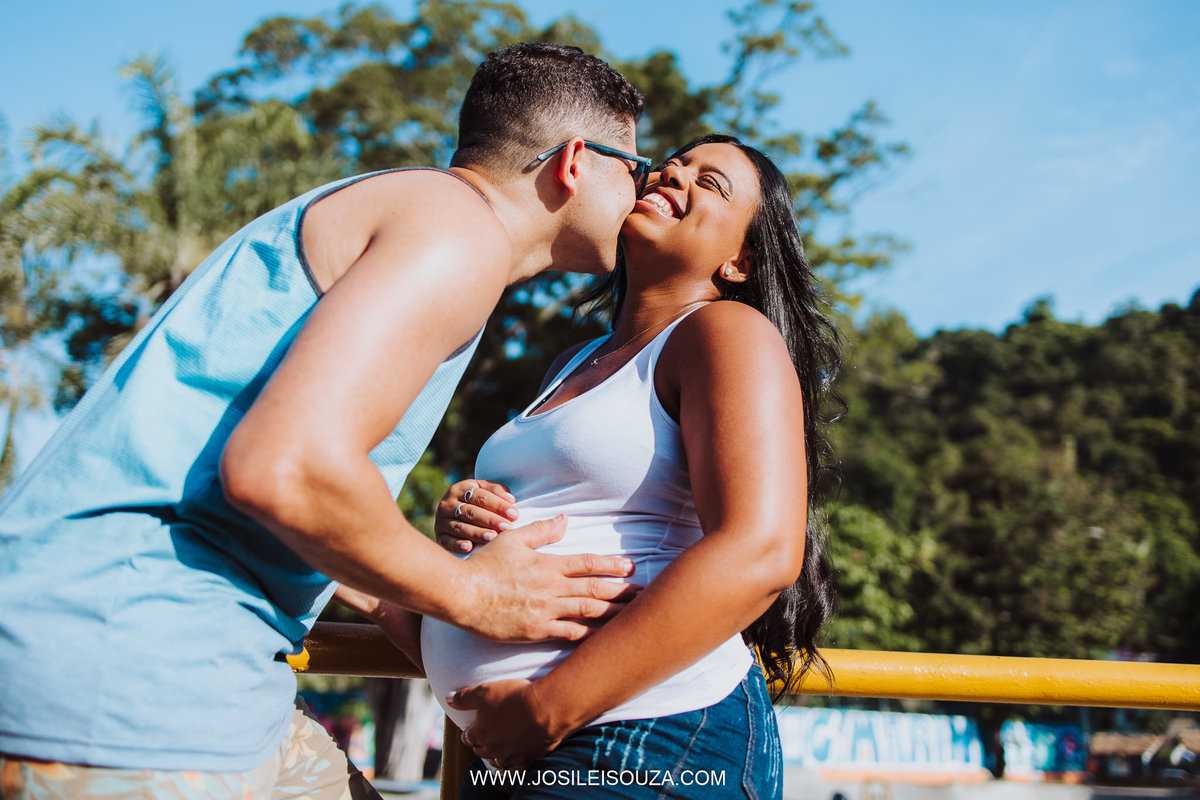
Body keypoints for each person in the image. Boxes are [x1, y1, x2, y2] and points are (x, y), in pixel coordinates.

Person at [0, 43, 650, 799]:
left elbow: (264, 475)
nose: (642, 192)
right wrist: (476, 597)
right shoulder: (456, 230)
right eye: (633, 168)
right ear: (575, 162)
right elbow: (282, 470)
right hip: (126, 678)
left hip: (206, 673)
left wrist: (398, 601)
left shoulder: (409, 213)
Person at [420, 133, 843, 798]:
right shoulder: (571, 361)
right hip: (520, 742)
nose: (674, 175)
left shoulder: (723, 331)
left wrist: (547, 708)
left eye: (710, 183)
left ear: (740, 261)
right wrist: (470, 520)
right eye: (672, 165)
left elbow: (760, 550)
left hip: (645, 731)